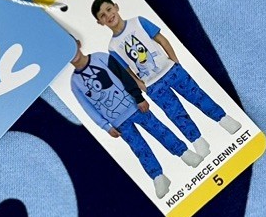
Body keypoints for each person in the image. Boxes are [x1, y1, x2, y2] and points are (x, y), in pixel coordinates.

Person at [92, 0, 241, 154]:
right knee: (175, 113)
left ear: (116, 7)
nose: (108, 15)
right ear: (100, 22)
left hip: (172, 70)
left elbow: (162, 40)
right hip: (153, 86)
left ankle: (224, 119)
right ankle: (198, 142)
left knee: (197, 96)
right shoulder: (112, 47)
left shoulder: (138, 22)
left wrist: (175, 61)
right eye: (102, 15)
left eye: (109, 9)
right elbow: (127, 72)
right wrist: (143, 86)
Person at [68, 45, 204, 198]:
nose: (71, 53)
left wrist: (138, 97)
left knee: (160, 130)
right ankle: (158, 177)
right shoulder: (75, 83)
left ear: (77, 44)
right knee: (139, 148)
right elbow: (87, 107)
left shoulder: (101, 57)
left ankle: (185, 153)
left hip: (136, 107)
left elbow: (123, 76)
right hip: (118, 122)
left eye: (70, 46)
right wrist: (105, 126)